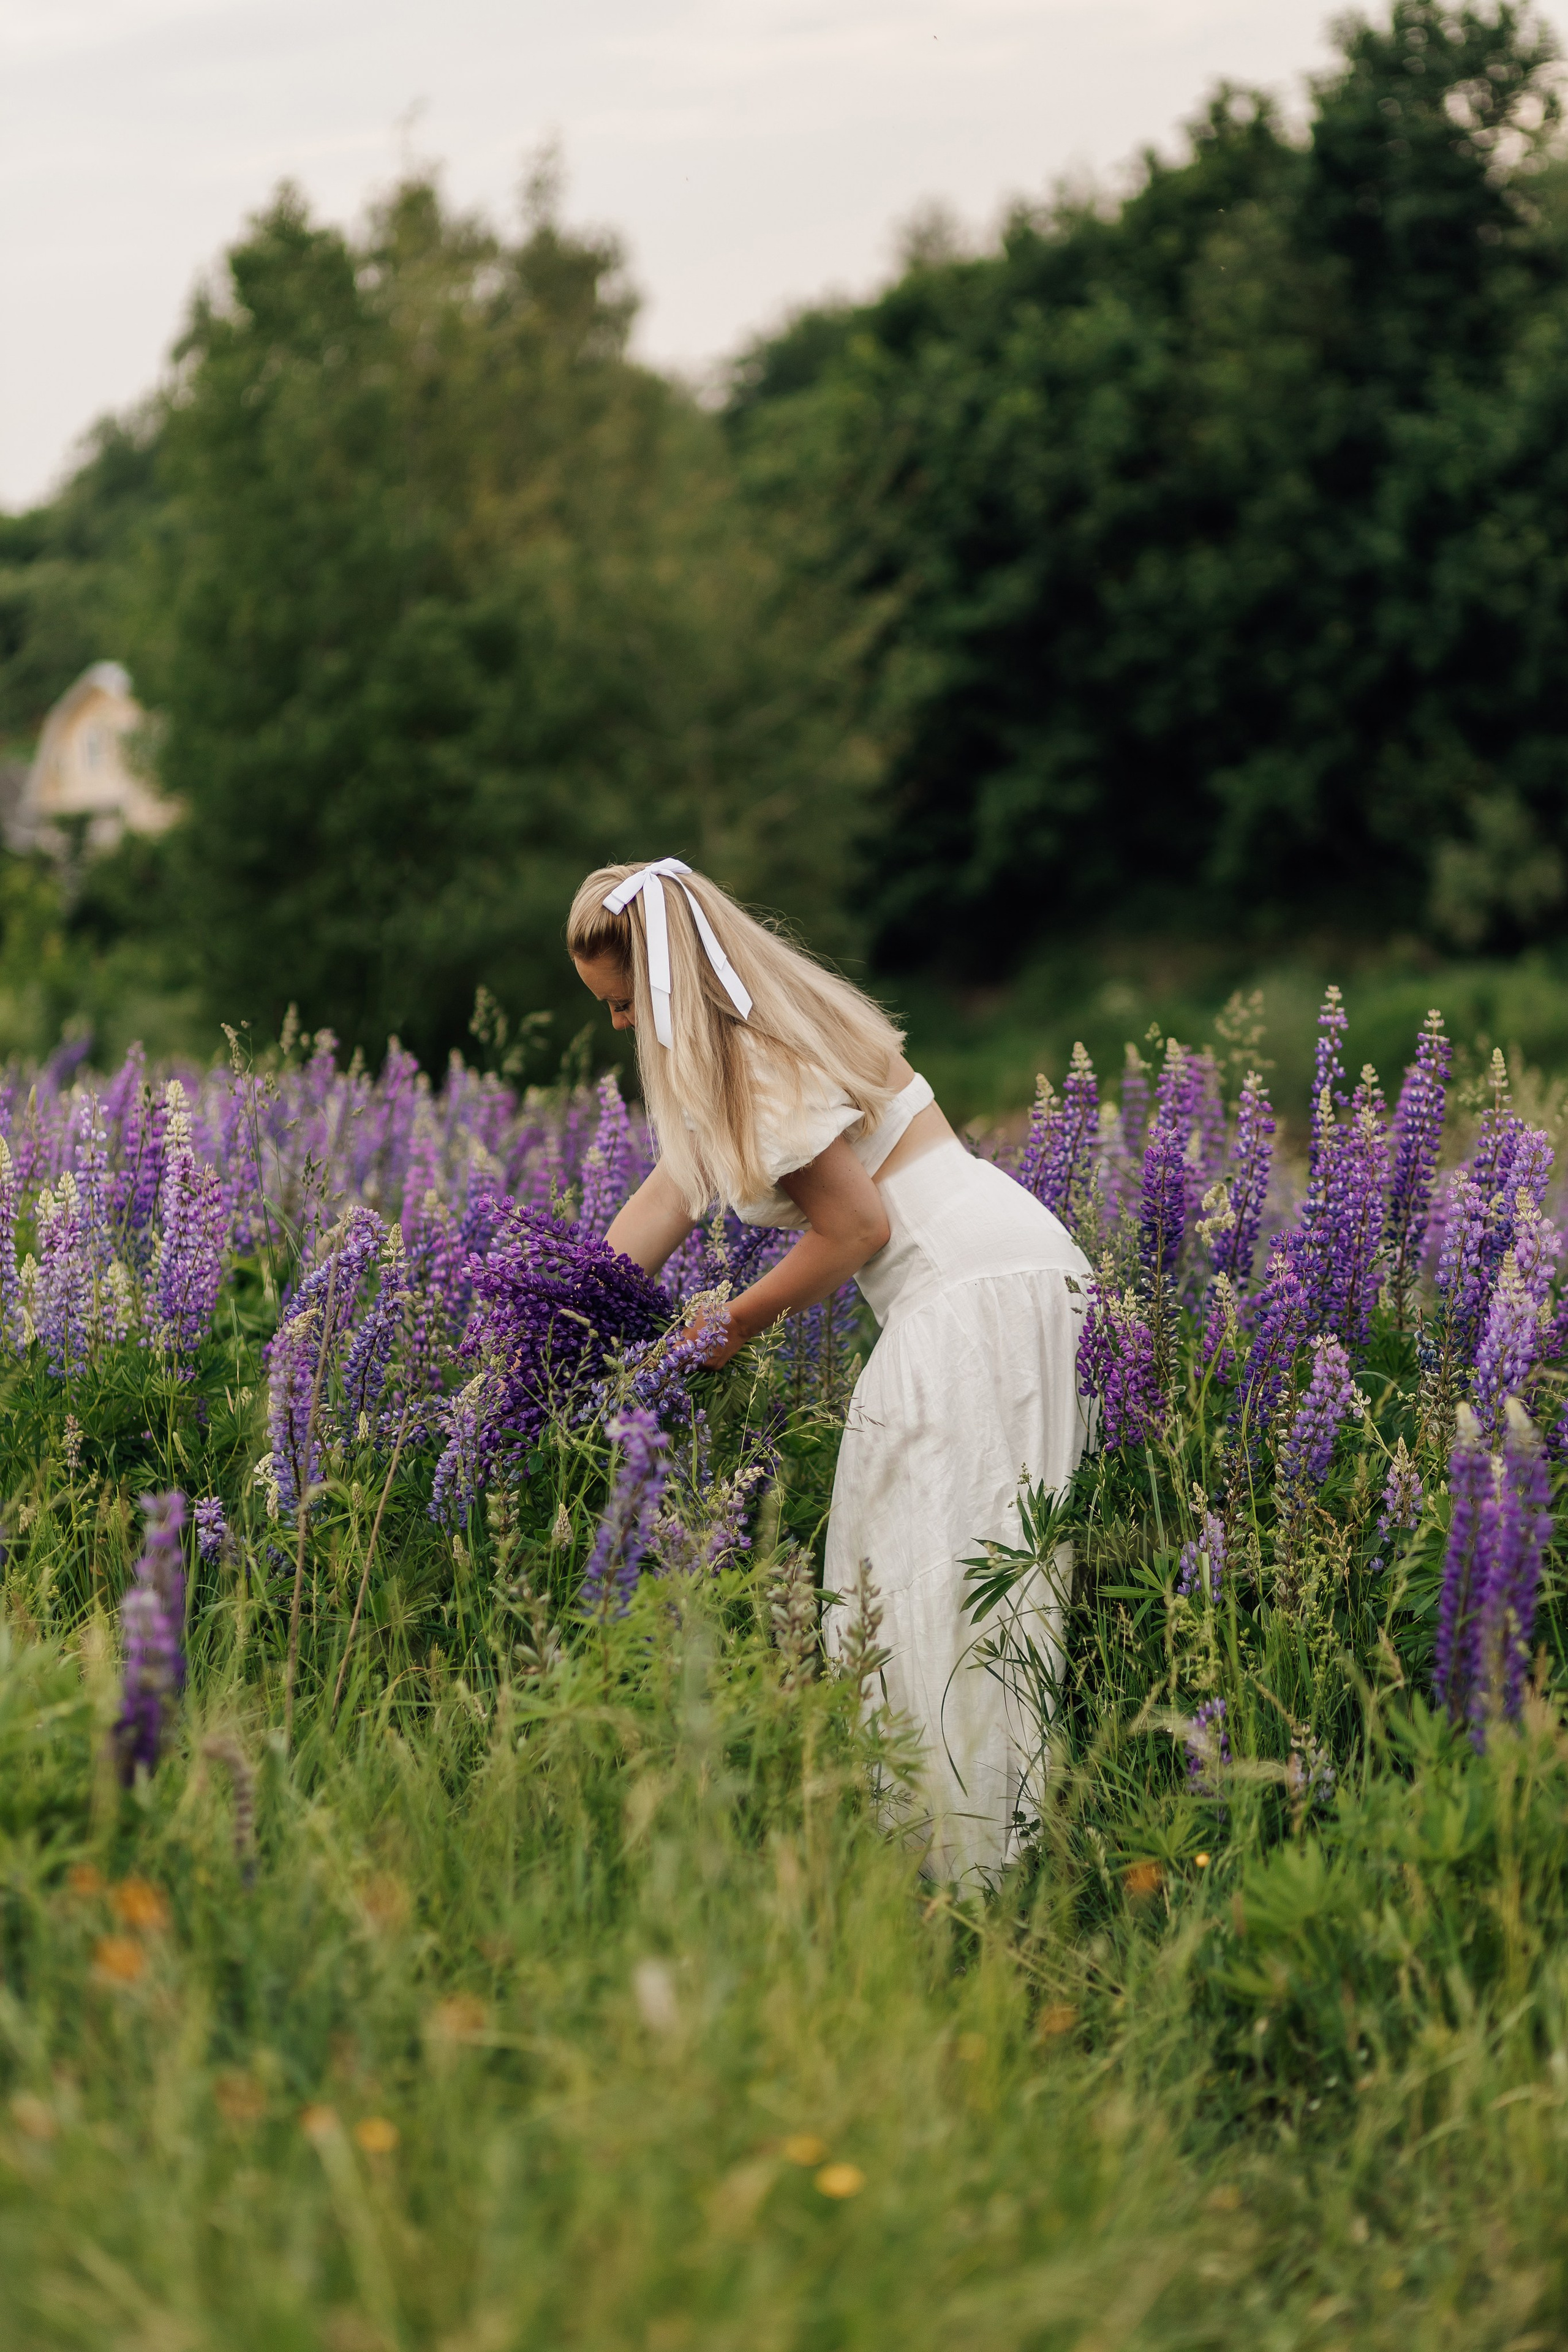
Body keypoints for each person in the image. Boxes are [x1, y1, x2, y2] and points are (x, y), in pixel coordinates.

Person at [568, 856, 1091, 1882]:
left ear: (669, 983)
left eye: (626, 1004)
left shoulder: (756, 1063)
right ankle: (989, 1866)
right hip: (1019, 1268)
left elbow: (856, 1226)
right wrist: (558, 1310)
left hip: (963, 1297)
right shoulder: (764, 1035)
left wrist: (725, 1328)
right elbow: (663, 1205)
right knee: (976, 1588)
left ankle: (961, 1878)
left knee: (921, 1585)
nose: (622, 1026)